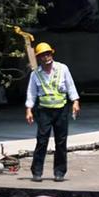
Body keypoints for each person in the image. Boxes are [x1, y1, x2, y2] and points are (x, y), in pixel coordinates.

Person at [25, 42, 80, 182]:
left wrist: (75, 101)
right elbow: (31, 93)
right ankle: (37, 172)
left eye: (48, 54)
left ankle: (59, 172)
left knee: (61, 141)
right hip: (44, 111)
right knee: (42, 141)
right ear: (39, 58)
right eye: (43, 55)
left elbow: (70, 86)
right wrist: (29, 109)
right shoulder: (35, 74)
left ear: (52, 54)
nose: (46, 57)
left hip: (61, 109)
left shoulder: (62, 68)